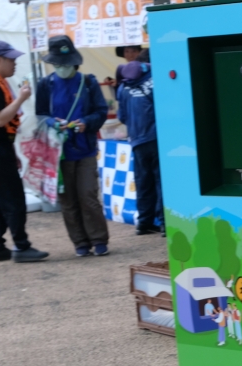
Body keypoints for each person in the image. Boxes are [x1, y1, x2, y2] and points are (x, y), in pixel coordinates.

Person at [0, 40, 49, 263]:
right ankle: (21, 246)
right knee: (13, 197)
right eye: (11, 60)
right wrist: (21, 99)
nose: (14, 64)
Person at [36, 36, 111, 257]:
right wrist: (53, 122)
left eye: (65, 64)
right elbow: (40, 115)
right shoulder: (45, 85)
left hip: (85, 148)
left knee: (88, 195)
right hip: (58, 153)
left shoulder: (88, 82)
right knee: (68, 200)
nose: (61, 68)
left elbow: (101, 111)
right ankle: (80, 242)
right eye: (57, 64)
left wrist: (86, 123)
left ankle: (99, 239)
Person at [117, 50, 163, 235]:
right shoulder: (155, 82)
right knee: (161, 181)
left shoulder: (123, 86)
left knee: (143, 182)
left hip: (136, 141)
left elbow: (122, 116)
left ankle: (144, 222)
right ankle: (165, 223)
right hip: (156, 138)